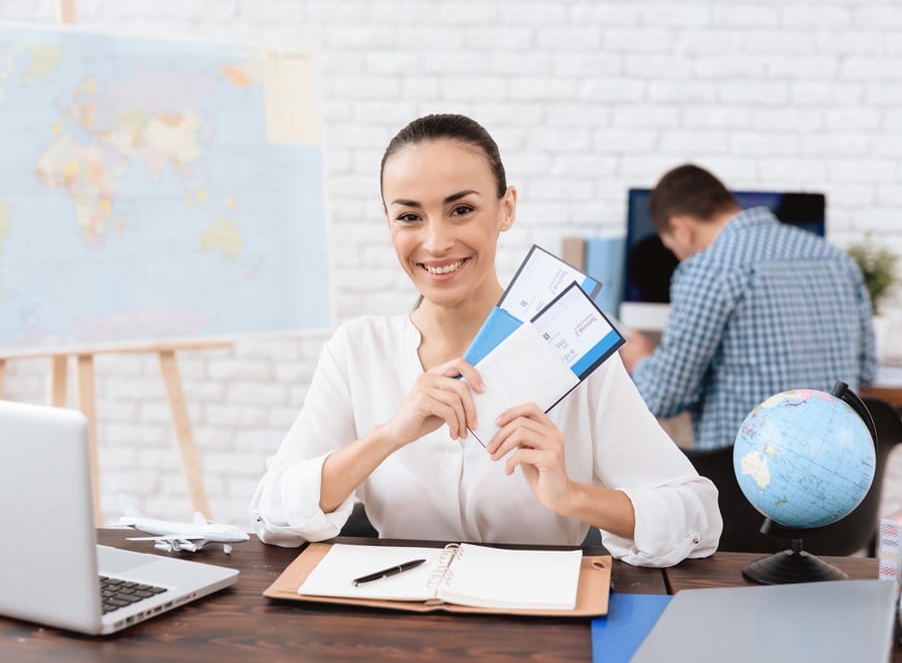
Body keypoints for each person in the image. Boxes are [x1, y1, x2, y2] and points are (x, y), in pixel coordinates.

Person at [250, 114, 721, 566]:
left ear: (506, 209)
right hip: (399, 626)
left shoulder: (571, 350)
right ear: (388, 222)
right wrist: (390, 435)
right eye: (410, 217)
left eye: (461, 210)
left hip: (537, 627)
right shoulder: (357, 349)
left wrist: (574, 496)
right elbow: (273, 512)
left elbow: (697, 515)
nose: (435, 243)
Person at [620, 164, 878, 451]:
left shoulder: (710, 268)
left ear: (682, 230)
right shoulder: (837, 260)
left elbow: (663, 397)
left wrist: (640, 359)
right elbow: (866, 371)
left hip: (747, 477)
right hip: (836, 471)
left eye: (671, 246)